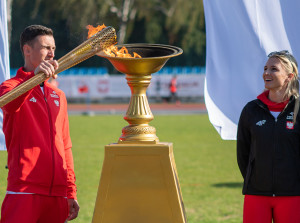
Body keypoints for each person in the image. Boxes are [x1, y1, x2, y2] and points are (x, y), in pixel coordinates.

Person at [0, 25, 79, 222]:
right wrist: (34, 78)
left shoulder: (58, 95)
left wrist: (70, 191)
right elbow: (9, 105)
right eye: (45, 47)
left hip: (57, 194)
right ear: (27, 50)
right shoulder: (10, 86)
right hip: (25, 190)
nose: (52, 53)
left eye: (53, 48)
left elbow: (65, 146)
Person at [237, 50, 300, 223]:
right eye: (265, 68)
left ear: (289, 76)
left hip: (293, 195)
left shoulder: (298, 110)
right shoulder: (251, 110)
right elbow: (243, 153)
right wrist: (256, 179)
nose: (266, 73)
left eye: (274, 69)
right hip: (256, 194)